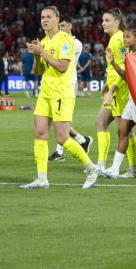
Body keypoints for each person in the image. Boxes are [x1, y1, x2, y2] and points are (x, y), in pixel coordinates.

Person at [20, 6, 115, 189]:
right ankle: (41, 178)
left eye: (49, 17)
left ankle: (92, 168)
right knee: (40, 133)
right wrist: (37, 56)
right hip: (45, 93)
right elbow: (38, 71)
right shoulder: (44, 41)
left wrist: (42, 53)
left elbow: (62, 66)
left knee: (63, 137)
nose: (45, 20)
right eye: (42, 17)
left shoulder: (65, 40)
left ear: (57, 19)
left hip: (61, 93)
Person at [48, 18, 93, 163]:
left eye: (63, 25)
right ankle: (82, 139)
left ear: (70, 26)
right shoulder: (59, 40)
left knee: (61, 118)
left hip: (68, 83)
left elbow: (60, 62)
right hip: (57, 84)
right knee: (56, 117)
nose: (60, 28)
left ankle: (60, 151)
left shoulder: (75, 43)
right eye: (59, 25)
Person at [107, 27, 136, 178]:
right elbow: (127, 77)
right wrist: (114, 63)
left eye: (128, 36)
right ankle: (115, 170)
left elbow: (133, 78)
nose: (125, 39)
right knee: (122, 131)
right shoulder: (130, 54)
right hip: (132, 99)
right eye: (124, 37)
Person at [95, 8, 129, 171]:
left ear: (117, 22)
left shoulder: (118, 39)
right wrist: (108, 85)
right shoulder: (115, 38)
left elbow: (124, 66)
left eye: (107, 20)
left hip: (120, 91)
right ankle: (101, 164)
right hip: (116, 88)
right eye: (102, 20)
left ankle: (132, 168)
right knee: (102, 123)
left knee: (124, 130)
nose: (103, 23)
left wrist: (112, 90)